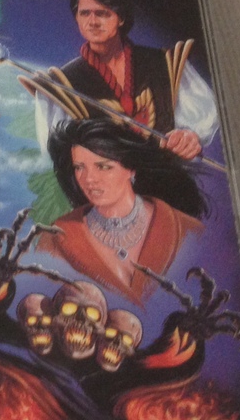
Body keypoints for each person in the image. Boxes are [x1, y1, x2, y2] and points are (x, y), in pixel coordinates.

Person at [28, 0, 218, 162]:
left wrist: (188, 137)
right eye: (84, 13)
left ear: (121, 18)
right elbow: (57, 152)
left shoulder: (165, 64)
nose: (92, 22)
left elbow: (202, 122)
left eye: (102, 13)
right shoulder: (62, 83)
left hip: (167, 178)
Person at [38, 119, 206, 304]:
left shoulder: (187, 230)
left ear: (131, 169)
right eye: (79, 168)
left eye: (103, 166)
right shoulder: (56, 237)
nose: (89, 179)